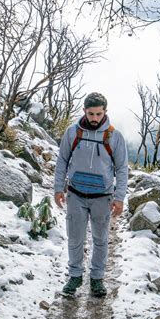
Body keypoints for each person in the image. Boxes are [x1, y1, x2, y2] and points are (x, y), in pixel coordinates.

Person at [54, 92, 128, 297]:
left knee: (100, 239)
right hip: (75, 194)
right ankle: (75, 277)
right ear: (84, 111)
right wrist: (58, 189)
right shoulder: (72, 132)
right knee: (75, 238)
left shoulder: (114, 136)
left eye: (98, 113)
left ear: (105, 112)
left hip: (102, 197)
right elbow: (62, 161)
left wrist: (119, 198)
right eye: (91, 113)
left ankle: (97, 279)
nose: (94, 118)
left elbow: (122, 169)